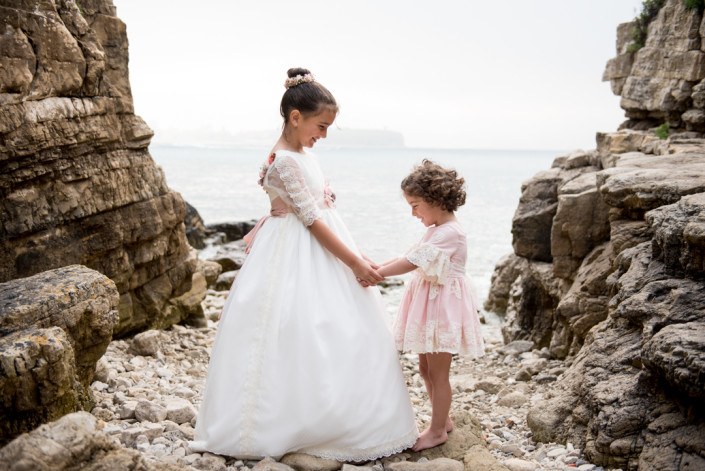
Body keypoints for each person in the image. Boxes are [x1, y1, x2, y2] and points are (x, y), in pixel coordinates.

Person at [190, 68, 418, 461]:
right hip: (294, 252)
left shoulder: (302, 155)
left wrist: (358, 254)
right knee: (293, 330)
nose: (324, 135)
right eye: (321, 125)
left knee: (342, 331)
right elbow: (311, 221)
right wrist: (352, 264)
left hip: (321, 247)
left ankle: (341, 418)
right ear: (296, 117)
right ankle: (282, 426)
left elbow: (325, 216)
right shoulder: (284, 162)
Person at [376, 160, 485, 451]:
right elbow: (409, 254)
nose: (412, 213)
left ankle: (438, 430)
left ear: (435, 200)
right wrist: (376, 265)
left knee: (438, 372)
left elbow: (412, 261)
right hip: (432, 307)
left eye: (415, 205)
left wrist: (378, 275)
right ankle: (443, 419)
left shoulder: (451, 232)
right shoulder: (437, 229)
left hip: (443, 310)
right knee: (425, 368)